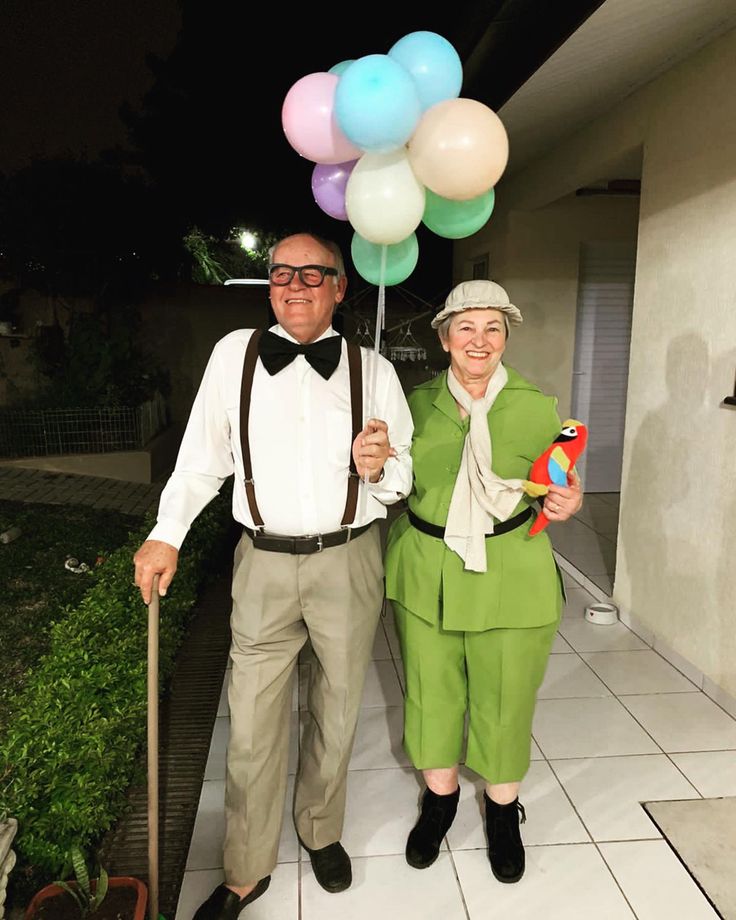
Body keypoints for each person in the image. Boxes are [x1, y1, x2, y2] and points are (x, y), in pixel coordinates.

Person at [134, 232, 413, 919]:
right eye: (281, 273)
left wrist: (377, 468)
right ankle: (245, 868)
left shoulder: (371, 369)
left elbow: (403, 478)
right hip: (260, 561)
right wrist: (166, 533)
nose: (293, 285)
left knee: (338, 706)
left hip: (348, 559)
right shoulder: (236, 355)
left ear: (340, 288)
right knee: (255, 722)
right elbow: (201, 459)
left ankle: (321, 829)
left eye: (312, 275)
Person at [384, 279, 583, 884]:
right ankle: (439, 802)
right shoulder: (411, 404)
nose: (480, 339)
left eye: (493, 327)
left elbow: (553, 484)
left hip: (511, 572)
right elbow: (389, 487)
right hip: (428, 569)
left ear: (505, 338)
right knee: (431, 691)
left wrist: (565, 503)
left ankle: (502, 813)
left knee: (505, 696)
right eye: (465, 327)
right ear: (444, 337)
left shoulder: (536, 405)